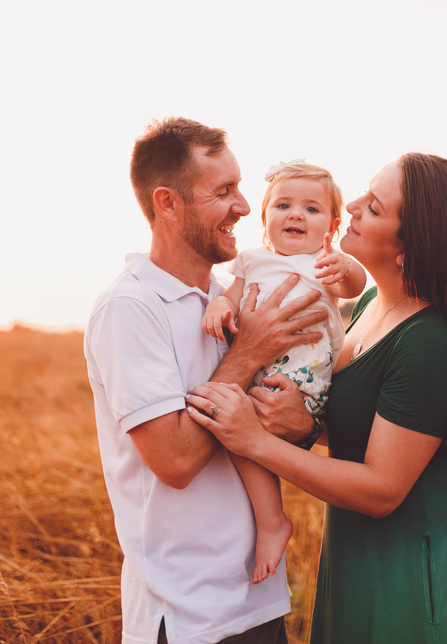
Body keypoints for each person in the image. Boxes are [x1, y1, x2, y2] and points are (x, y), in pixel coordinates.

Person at [188, 153, 447, 644]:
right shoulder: (368, 305)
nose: (354, 207)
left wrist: (256, 442)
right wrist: (304, 425)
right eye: (364, 194)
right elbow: (369, 424)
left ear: (410, 245)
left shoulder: (430, 340)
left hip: (430, 567)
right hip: (363, 548)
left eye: (376, 207)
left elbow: (381, 489)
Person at [84, 118, 329, 644]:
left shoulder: (231, 296)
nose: (244, 206)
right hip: (188, 616)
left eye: (240, 187)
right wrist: (247, 356)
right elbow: (173, 460)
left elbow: (268, 422)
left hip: (258, 598)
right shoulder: (130, 308)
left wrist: (302, 421)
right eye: (223, 192)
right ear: (168, 204)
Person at [201, 159, 367, 584]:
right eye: (284, 205)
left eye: (312, 210)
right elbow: (232, 296)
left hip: (305, 381)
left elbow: (356, 285)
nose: (296, 214)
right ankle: (271, 520)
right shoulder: (252, 260)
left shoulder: (324, 264)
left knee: (249, 437)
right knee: (241, 436)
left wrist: (346, 267)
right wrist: (219, 306)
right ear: (265, 218)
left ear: (330, 227)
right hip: (260, 377)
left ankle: (271, 521)